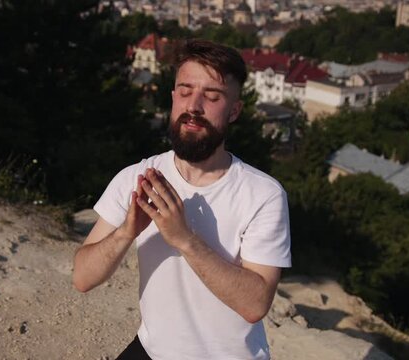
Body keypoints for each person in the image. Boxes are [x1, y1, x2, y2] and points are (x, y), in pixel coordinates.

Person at [72, 39, 291, 360]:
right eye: (185, 91)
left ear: (234, 111)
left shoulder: (263, 194)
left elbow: (255, 305)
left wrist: (185, 239)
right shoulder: (137, 177)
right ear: (173, 97)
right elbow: (81, 279)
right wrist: (125, 232)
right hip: (151, 350)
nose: (194, 106)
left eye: (212, 96)